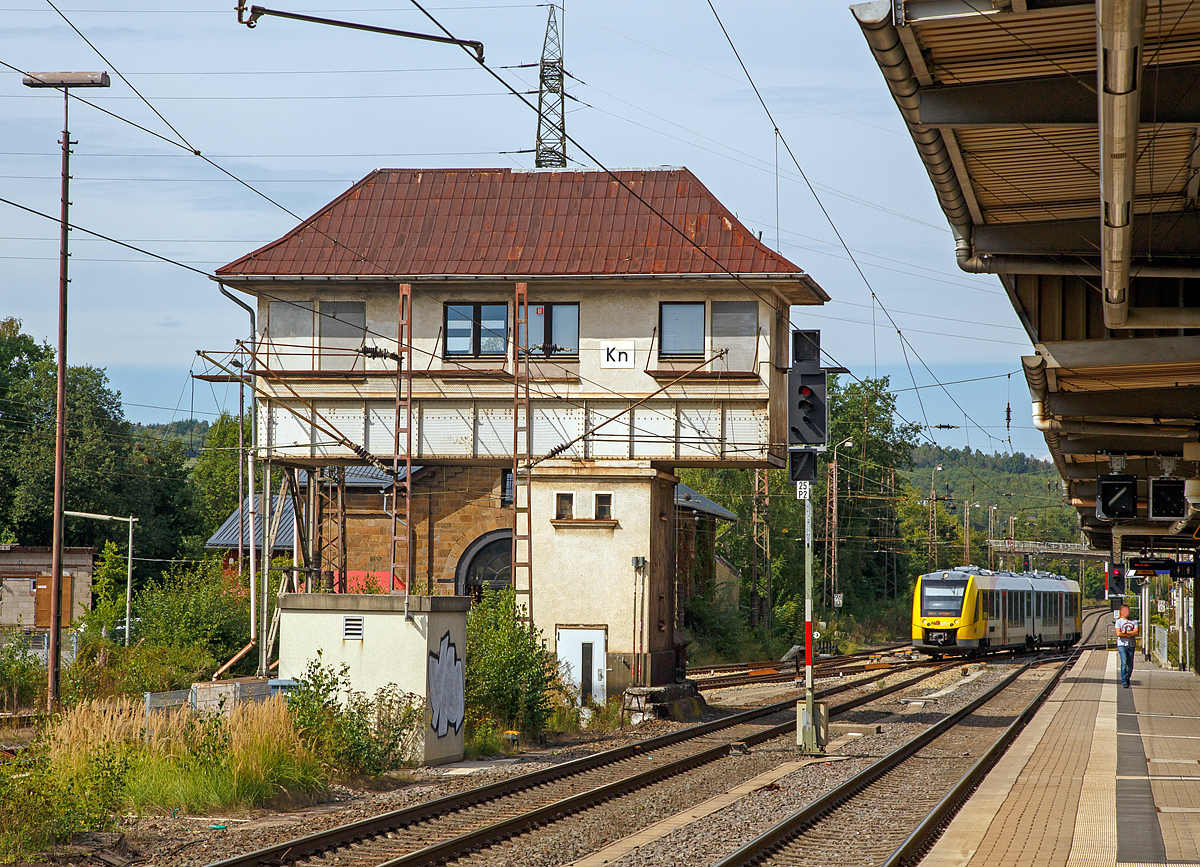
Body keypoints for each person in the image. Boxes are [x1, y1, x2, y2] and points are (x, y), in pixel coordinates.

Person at [1114, 604, 1139, 688]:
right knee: (1124, 663)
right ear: (1121, 612)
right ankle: (1124, 680)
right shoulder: (1119, 622)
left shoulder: (1134, 621)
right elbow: (1118, 634)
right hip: (1122, 645)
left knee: (1130, 664)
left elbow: (1136, 632)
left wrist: (1125, 633)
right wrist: (1130, 634)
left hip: (1131, 645)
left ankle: (1127, 676)